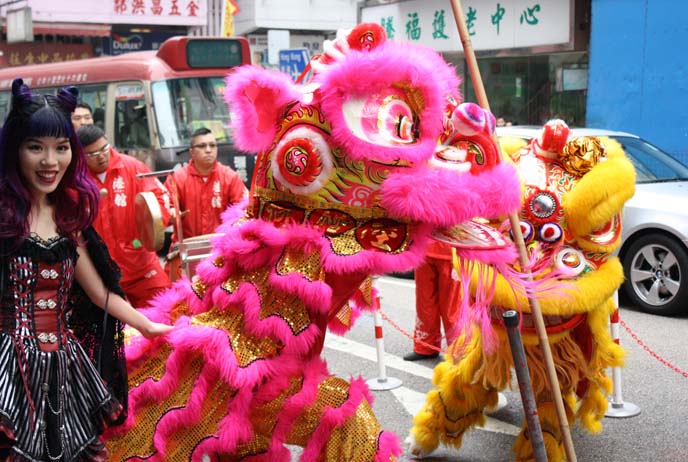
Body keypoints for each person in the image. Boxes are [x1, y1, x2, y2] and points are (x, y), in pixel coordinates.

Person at [0, 78, 171, 461]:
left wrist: (147, 325)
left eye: (60, 149)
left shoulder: (69, 218)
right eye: (35, 148)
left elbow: (99, 293)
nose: (50, 162)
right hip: (7, 371)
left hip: (65, 366)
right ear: (15, 150)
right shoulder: (4, 216)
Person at [77, 124, 172, 307]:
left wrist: (152, 227)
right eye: (93, 154)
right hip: (101, 272)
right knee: (115, 330)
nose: (102, 156)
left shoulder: (133, 167)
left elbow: (159, 197)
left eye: (105, 148)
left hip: (141, 264)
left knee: (165, 310)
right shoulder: (76, 179)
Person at [164, 127, 247, 246]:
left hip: (221, 247)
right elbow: (165, 209)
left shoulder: (230, 177)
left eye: (212, 145)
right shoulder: (178, 178)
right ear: (191, 152)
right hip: (186, 247)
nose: (208, 150)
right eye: (202, 146)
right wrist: (171, 213)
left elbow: (243, 210)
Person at [404, 241, 461, 361]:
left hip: (451, 251)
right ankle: (425, 347)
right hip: (423, 249)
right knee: (425, 302)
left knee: (452, 305)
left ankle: (459, 350)